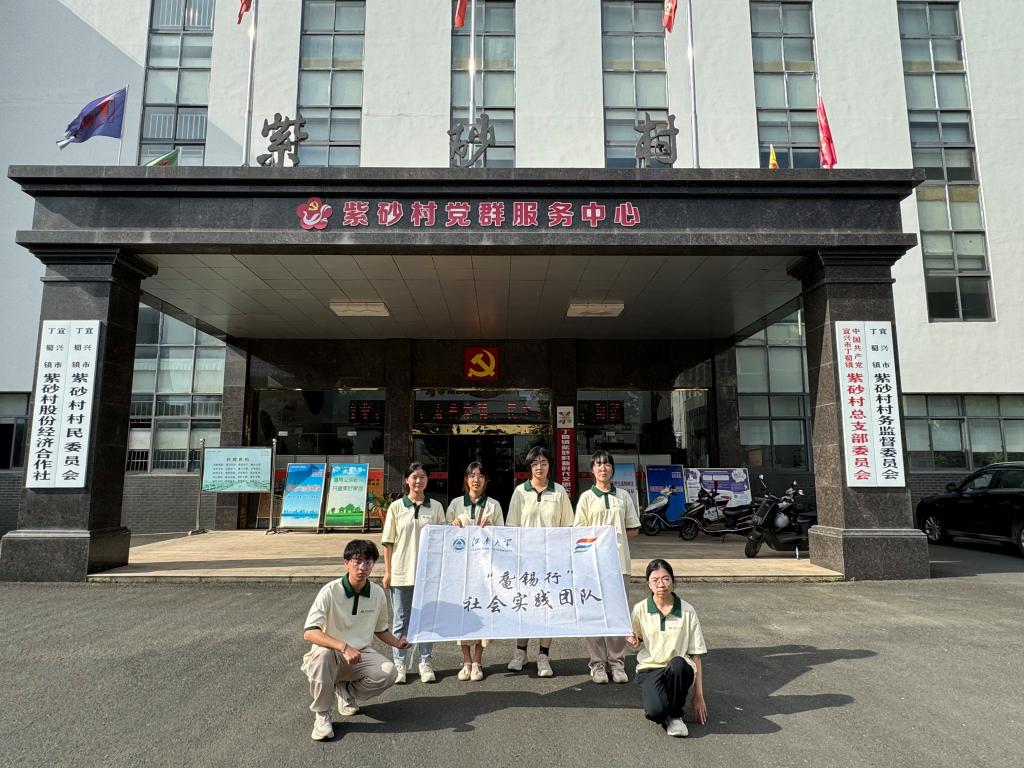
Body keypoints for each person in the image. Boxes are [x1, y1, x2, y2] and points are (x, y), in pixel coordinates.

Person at [301, 539, 410, 741]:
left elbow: (381, 629)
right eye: (357, 561)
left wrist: (398, 643)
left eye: (368, 562)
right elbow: (310, 632)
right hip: (330, 656)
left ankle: (346, 691)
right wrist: (343, 647)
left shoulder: (377, 593)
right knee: (323, 654)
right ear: (346, 563)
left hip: (360, 655)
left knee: (389, 672)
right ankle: (322, 715)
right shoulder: (330, 591)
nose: (362, 567)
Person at [504, 445, 574, 677]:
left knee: (547, 606)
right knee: (523, 605)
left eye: (544, 463)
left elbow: (568, 527)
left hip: (551, 562)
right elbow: (512, 527)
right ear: (529, 467)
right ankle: (520, 652)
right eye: (535, 463)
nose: (539, 467)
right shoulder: (520, 492)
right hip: (525, 562)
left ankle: (543, 655)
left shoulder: (559, 491)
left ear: (549, 466)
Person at [574, 450, 641, 684]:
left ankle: (617, 662)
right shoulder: (586, 498)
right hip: (592, 565)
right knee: (594, 613)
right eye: (598, 465)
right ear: (592, 470)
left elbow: (633, 529)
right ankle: (597, 664)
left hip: (619, 563)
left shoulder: (623, 496)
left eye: (607, 464)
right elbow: (579, 532)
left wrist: (615, 537)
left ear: (612, 469)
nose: (603, 468)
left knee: (617, 613)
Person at [626, 559, 708, 738]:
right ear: (648, 583)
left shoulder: (687, 611)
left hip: (678, 668)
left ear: (672, 580)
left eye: (665, 579)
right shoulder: (640, 609)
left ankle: (676, 715)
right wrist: (633, 640)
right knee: (655, 712)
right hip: (651, 667)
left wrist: (699, 695)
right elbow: (636, 638)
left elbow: (696, 656)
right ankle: (665, 708)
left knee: (678, 664)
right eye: (655, 580)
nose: (661, 584)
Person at [381, 462, 445, 684]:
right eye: (414, 477)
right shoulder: (396, 507)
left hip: (428, 575)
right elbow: (388, 543)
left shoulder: (436, 507)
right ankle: (399, 663)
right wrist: (387, 572)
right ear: (407, 480)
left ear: (428, 480)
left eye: (423, 477)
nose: (418, 481)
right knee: (401, 619)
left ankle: (425, 662)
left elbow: (442, 539)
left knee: (426, 619)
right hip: (401, 573)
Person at [446, 461, 503, 682]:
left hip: (485, 569)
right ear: (466, 480)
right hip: (461, 569)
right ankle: (466, 660)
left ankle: (478, 660)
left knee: (482, 611)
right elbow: (445, 536)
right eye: (472, 476)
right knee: (463, 612)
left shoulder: (494, 506)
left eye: (480, 476)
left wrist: (492, 529)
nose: (476, 480)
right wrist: (451, 526)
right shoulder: (455, 504)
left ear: (486, 480)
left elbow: (504, 538)